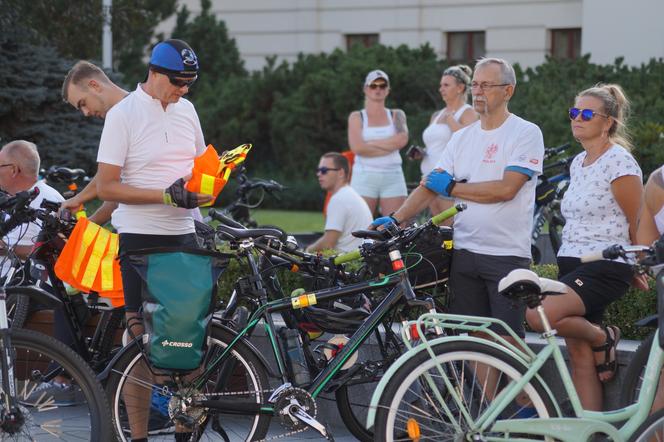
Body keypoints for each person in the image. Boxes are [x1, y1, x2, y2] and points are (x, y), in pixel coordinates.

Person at [373, 58, 544, 343]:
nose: (478, 91)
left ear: (508, 91)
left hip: (506, 254)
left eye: (487, 85)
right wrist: (396, 218)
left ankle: (521, 391)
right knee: (474, 339)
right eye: (476, 84)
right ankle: (491, 392)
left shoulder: (525, 132)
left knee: (509, 342)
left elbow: (506, 189)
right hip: (465, 251)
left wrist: (452, 187)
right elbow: (430, 185)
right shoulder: (462, 137)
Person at [95, 39, 212, 442]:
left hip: (183, 233)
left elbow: (198, 167)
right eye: (178, 82)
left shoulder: (188, 110)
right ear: (154, 73)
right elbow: (109, 185)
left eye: (190, 83)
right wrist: (165, 194)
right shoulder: (123, 115)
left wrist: (209, 187)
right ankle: (139, 436)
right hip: (140, 237)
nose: (183, 90)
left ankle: (185, 432)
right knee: (138, 342)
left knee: (190, 341)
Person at [526, 84, 643, 411]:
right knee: (578, 355)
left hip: (604, 265)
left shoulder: (619, 161)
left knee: (540, 316)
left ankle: (603, 337)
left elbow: (637, 217)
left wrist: (636, 264)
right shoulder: (578, 162)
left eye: (587, 114)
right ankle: (589, 432)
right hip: (571, 262)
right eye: (573, 113)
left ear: (607, 123)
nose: (577, 119)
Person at [60, 60, 129, 224]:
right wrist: (88, 224)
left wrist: (77, 199)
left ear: (95, 86)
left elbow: (105, 180)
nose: (85, 113)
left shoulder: (122, 114)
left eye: (83, 103)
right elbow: (117, 188)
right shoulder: (128, 110)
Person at [416, 65, 478, 218]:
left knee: (450, 228)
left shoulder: (468, 112)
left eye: (446, 85)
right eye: (440, 85)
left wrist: (450, 120)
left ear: (460, 88)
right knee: (436, 229)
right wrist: (421, 152)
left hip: (449, 179)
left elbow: (469, 141)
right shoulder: (437, 114)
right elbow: (435, 145)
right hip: (429, 178)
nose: (441, 89)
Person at [347, 69, 409, 216]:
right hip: (364, 176)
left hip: (393, 175)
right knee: (360, 227)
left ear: (388, 90)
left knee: (395, 228)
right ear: (365, 89)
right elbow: (358, 148)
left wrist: (371, 143)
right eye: (373, 85)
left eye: (382, 85)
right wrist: (390, 145)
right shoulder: (356, 117)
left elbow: (402, 140)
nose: (378, 89)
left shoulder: (397, 114)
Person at [0, 140, 64, 259]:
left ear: (14, 170)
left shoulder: (47, 199)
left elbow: (55, 248)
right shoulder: (16, 197)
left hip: (26, 276)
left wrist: (7, 249)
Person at [307, 152, 372, 253]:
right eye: (318, 170)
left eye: (324, 170)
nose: (319, 174)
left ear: (341, 173)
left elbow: (328, 244)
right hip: (360, 260)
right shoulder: (348, 194)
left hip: (348, 263)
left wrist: (306, 250)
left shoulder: (339, 199)